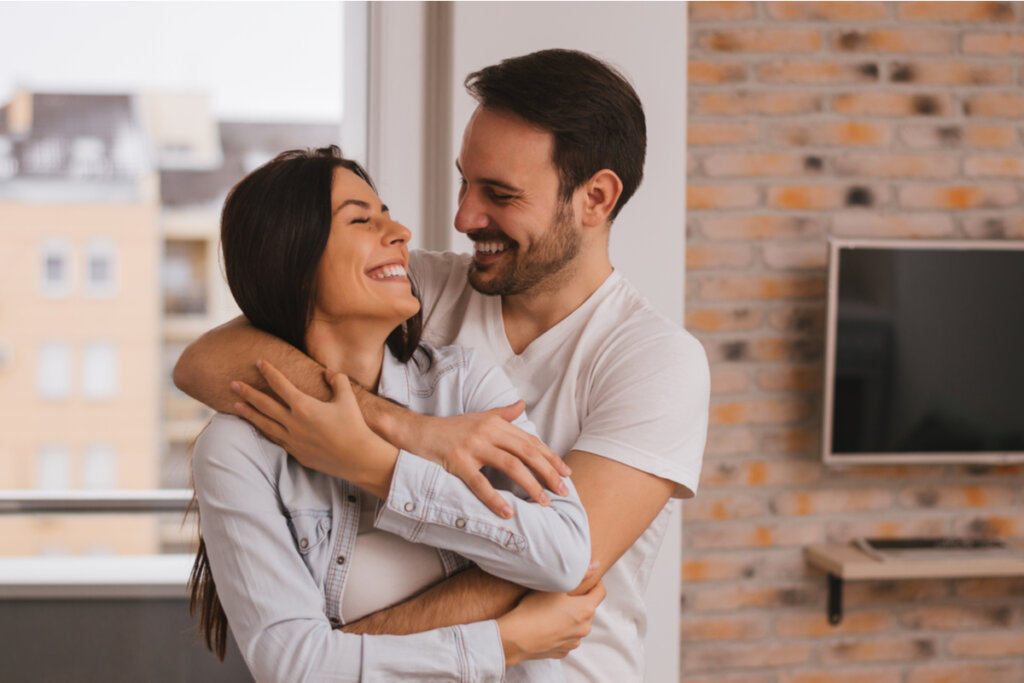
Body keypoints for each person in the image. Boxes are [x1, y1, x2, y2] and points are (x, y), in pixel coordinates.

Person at [176, 49, 709, 682]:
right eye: (465, 181)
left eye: (499, 194)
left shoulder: (655, 362)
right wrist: (406, 430)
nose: (463, 217)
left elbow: (562, 567)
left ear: (595, 197)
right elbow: (206, 359)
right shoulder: (416, 289)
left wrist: (330, 656)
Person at [188, 146, 604, 682]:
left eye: (387, 213)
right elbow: (293, 667)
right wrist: (502, 643)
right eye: (362, 220)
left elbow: (565, 554)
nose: (401, 232)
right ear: (290, 256)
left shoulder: (462, 385)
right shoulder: (237, 451)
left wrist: (380, 467)